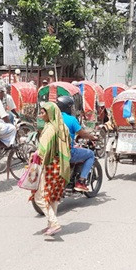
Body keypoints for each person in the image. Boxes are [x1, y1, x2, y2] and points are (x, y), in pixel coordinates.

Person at [30, 102, 71, 236]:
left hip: (50, 165)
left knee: (40, 197)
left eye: (43, 112)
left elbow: (43, 149)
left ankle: (53, 223)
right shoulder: (62, 127)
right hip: (62, 165)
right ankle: (50, 225)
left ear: (50, 114)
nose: (41, 115)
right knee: (53, 197)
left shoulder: (50, 129)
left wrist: (34, 154)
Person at [56, 96, 97, 192]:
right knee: (90, 154)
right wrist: (92, 137)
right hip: (67, 153)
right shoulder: (71, 119)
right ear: (67, 107)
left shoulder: (52, 118)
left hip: (53, 152)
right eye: (71, 107)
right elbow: (82, 134)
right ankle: (81, 181)